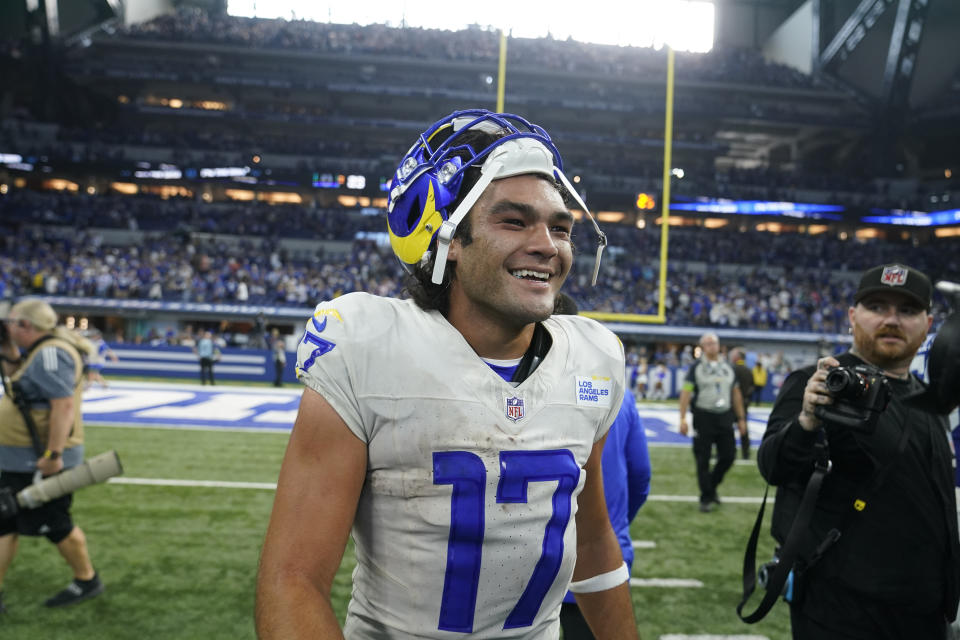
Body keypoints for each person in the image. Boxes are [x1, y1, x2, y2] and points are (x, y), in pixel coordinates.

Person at [256, 109, 639, 639]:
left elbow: (593, 542)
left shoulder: (593, 356)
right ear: (450, 240)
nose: (547, 245)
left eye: (560, 227)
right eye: (514, 220)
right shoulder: (370, 345)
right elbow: (292, 579)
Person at [758, 263, 960, 639]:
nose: (892, 319)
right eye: (877, 306)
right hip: (842, 612)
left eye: (907, 310)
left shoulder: (927, 397)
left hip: (927, 609)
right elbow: (773, 466)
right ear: (853, 316)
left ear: (928, 323)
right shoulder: (816, 383)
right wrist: (806, 422)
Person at [554, 294, 651, 640]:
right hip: (604, 556)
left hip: (536, 556)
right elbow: (641, 477)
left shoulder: (517, 390)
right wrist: (613, 525)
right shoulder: (619, 392)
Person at [0, 300, 104, 612]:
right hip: (22, 458)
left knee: (55, 523)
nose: (7, 326)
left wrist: (53, 454)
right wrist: (7, 350)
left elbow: (63, 405)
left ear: (26, 326)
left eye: (11, 322)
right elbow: (23, 386)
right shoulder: (43, 350)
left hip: (37, 460)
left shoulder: (49, 353)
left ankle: (87, 579)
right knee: (6, 520)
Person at [678, 332, 748, 512]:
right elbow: (686, 392)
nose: (711, 346)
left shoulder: (729, 367)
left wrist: (741, 418)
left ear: (719, 345)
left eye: (714, 343)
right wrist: (683, 418)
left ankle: (710, 488)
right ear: (702, 347)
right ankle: (706, 498)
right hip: (703, 416)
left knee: (729, 455)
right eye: (707, 343)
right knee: (702, 459)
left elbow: (736, 394)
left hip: (725, 415)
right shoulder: (696, 368)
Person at [729, 347, 755, 460]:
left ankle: (731, 451)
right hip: (744, 403)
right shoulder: (748, 370)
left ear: (736, 357)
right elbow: (752, 387)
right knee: (743, 428)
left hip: (731, 404)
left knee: (728, 429)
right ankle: (746, 453)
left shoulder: (731, 369)